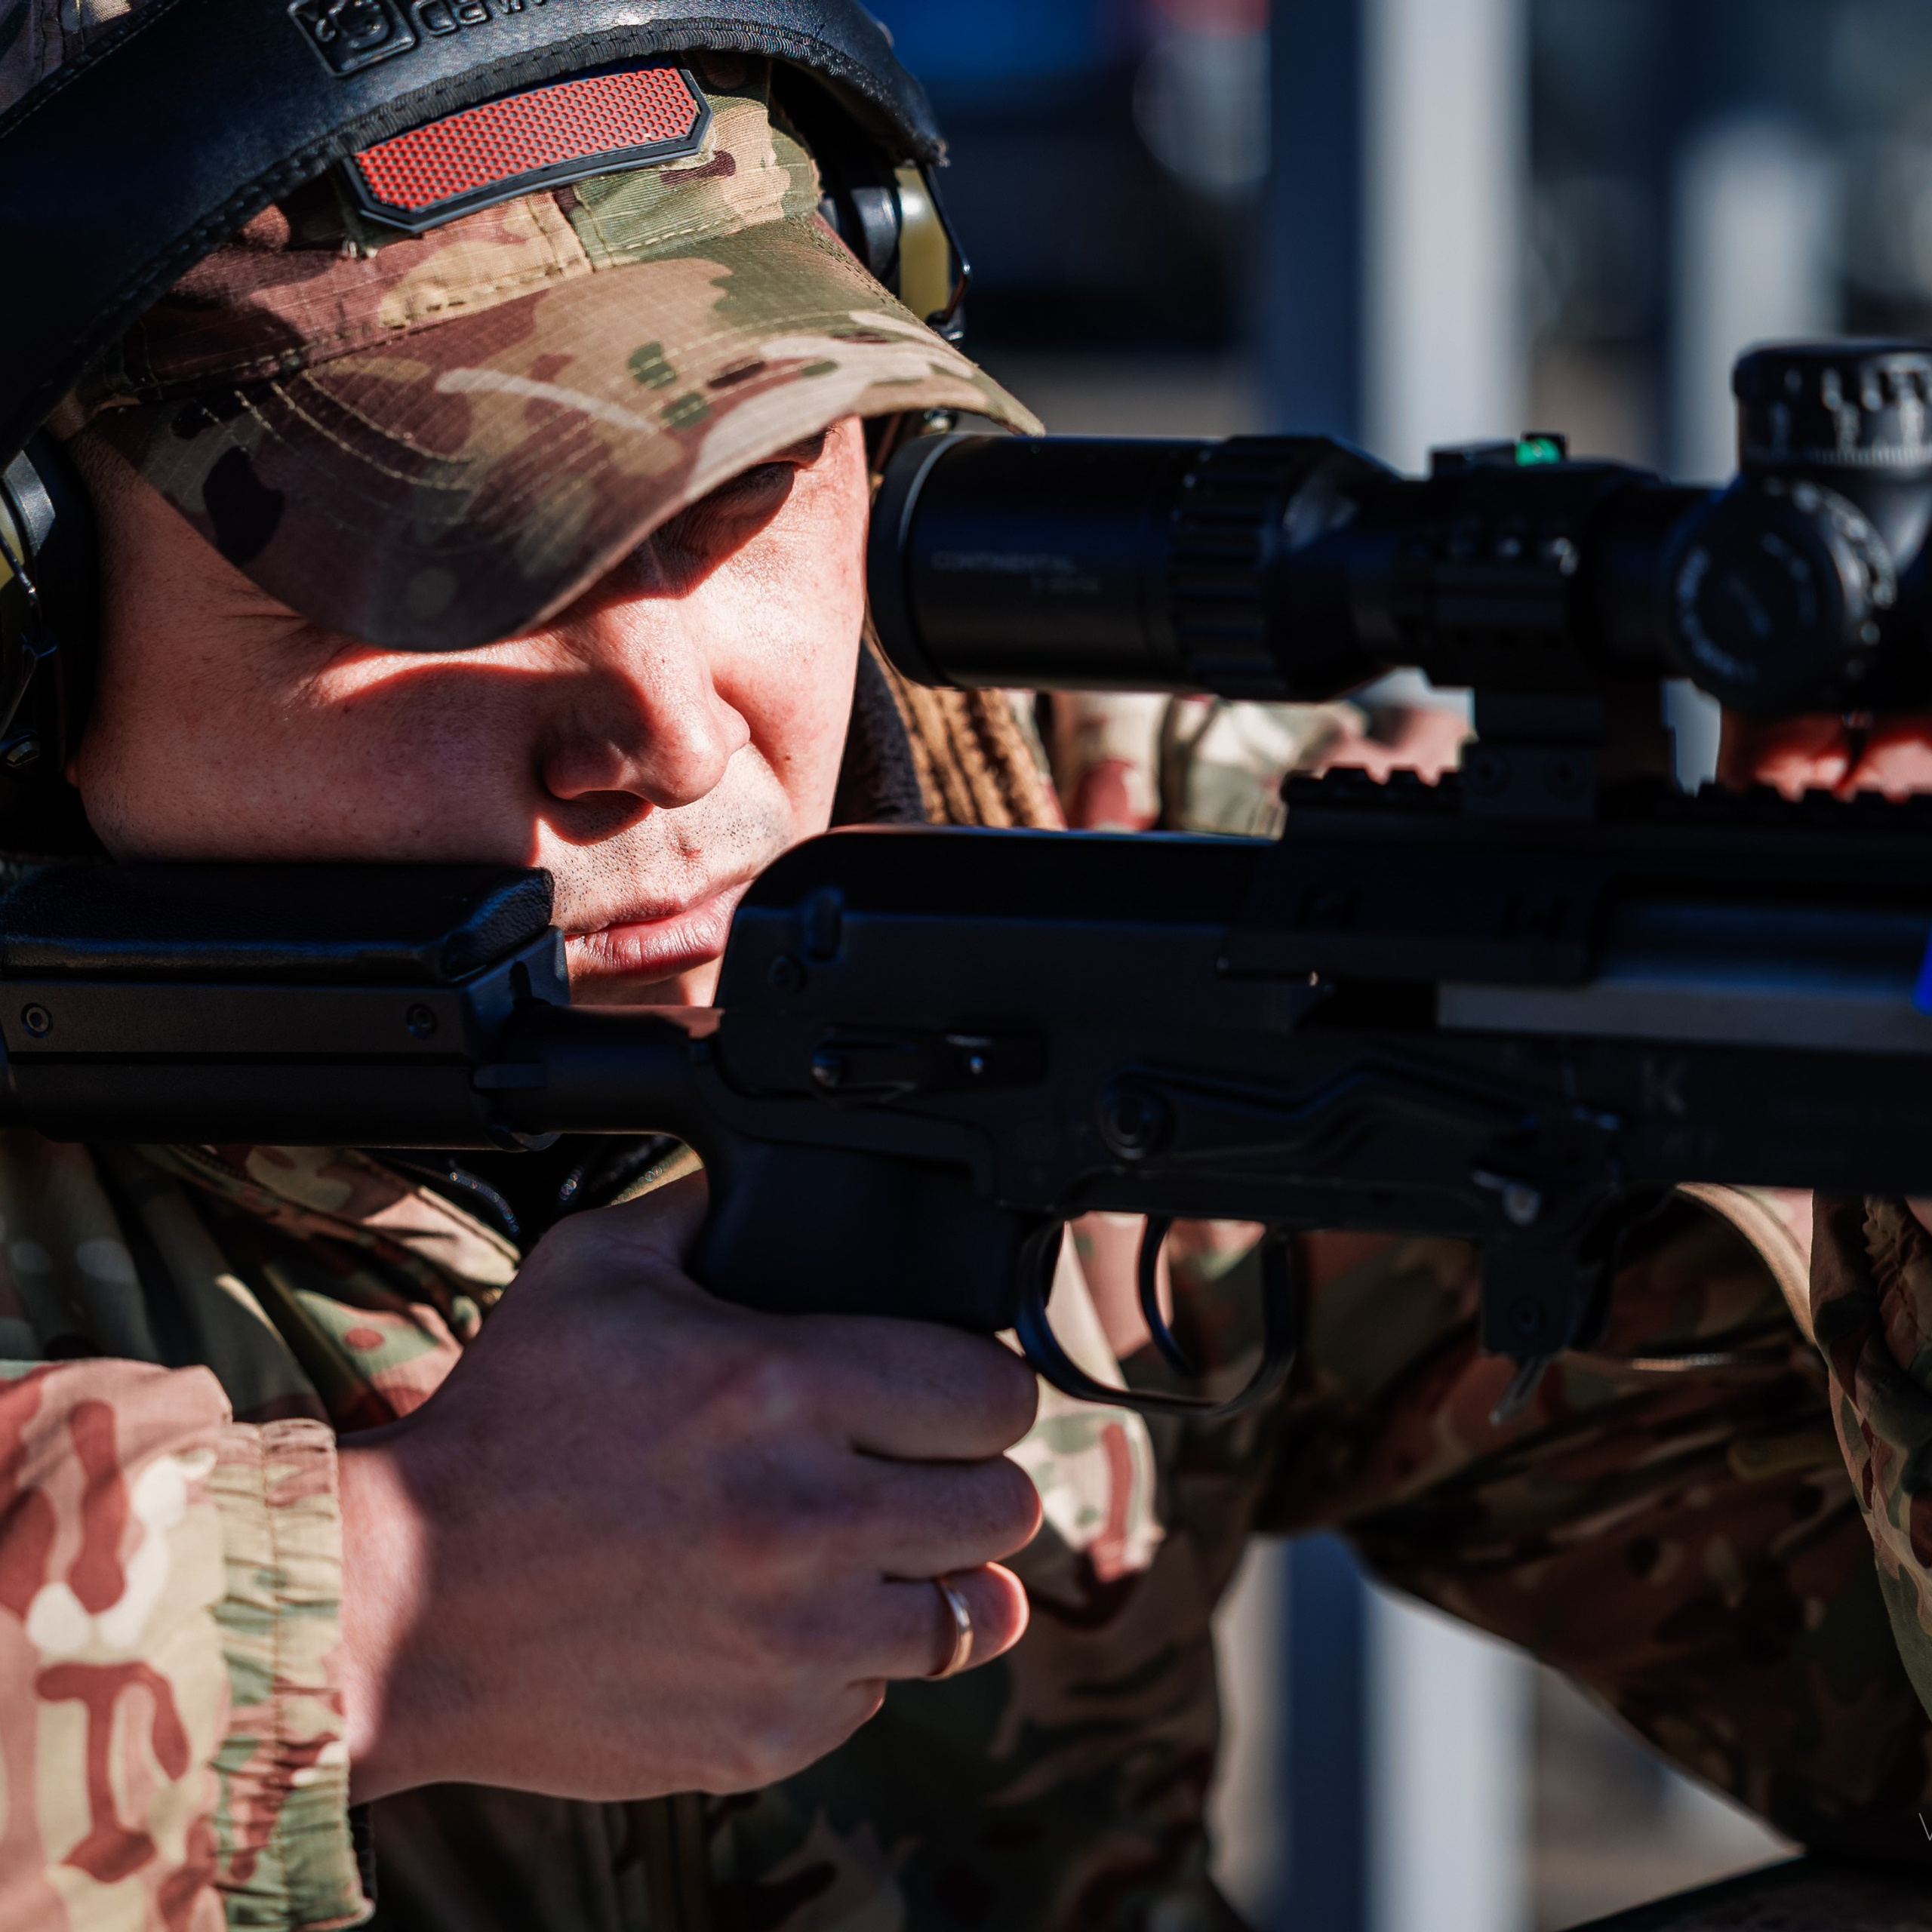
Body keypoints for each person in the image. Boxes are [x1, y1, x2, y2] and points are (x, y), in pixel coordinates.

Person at [8, 16, 1932, 1932]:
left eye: (744, 490)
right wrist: (365, 1604)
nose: (671, 729)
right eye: (423, 575)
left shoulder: (1141, 845)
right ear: (27, 606)